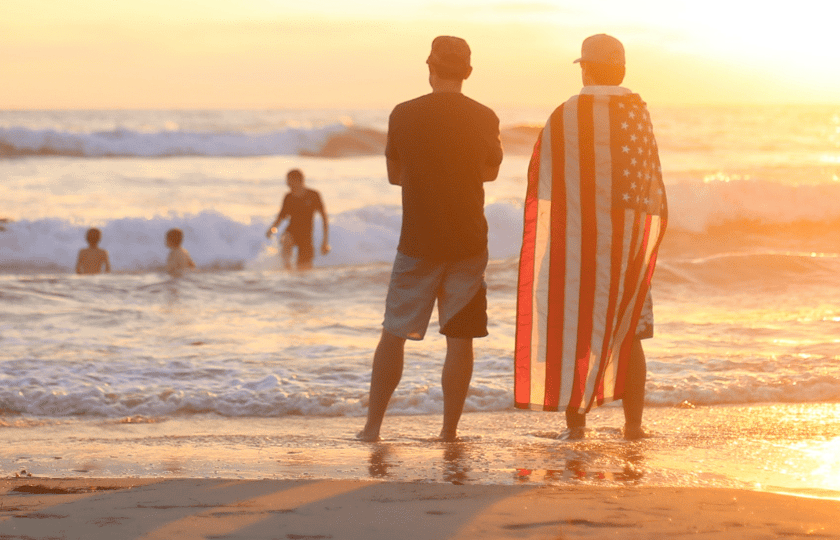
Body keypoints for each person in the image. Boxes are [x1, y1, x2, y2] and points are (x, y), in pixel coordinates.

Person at [515, 33, 667, 440]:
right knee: (631, 331)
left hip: (575, 246)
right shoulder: (637, 113)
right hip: (627, 247)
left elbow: (543, 181)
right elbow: (647, 185)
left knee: (576, 330)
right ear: (621, 69)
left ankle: (577, 427)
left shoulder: (565, 114)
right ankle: (633, 426)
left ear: (586, 67)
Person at [358, 36, 502, 443]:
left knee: (394, 333)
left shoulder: (404, 113)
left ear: (429, 66)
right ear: (468, 72)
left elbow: (393, 175)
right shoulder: (484, 116)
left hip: (419, 237)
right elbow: (490, 172)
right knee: (460, 339)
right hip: (468, 239)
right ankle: (448, 431)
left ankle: (372, 429)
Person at [266, 169, 330, 270]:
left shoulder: (313, 195)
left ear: (298, 180)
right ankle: (287, 268)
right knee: (286, 239)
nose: (287, 184)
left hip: (306, 236)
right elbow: (281, 216)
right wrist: (272, 228)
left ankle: (296, 281)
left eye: (289, 181)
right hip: (292, 231)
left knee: (304, 271)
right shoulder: (288, 197)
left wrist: (325, 242)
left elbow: (324, 218)